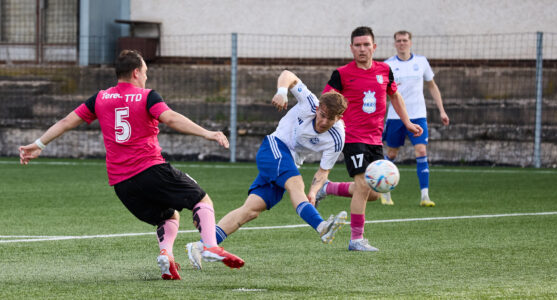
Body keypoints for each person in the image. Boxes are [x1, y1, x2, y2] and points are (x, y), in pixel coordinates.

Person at [18, 50, 244, 280]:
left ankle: (166, 255)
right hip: (151, 170)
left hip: (122, 185)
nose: (146, 77)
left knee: (168, 216)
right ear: (136, 72)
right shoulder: (147, 96)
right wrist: (208, 133)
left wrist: (39, 144)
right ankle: (209, 245)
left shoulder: (100, 98)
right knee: (201, 199)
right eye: (145, 72)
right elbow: (171, 118)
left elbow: (67, 121)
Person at [185, 70, 348, 270]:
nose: (323, 122)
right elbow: (288, 75)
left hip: (288, 163)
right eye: (322, 115)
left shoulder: (337, 139)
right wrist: (281, 92)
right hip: (274, 147)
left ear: (339, 118)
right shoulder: (310, 102)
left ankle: (201, 246)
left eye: (330, 119)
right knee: (296, 184)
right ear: (318, 108)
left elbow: (323, 172)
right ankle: (321, 227)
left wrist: (313, 193)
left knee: (251, 211)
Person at [317, 26, 423, 252]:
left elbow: (395, 96)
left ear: (374, 47)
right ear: (351, 48)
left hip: (375, 138)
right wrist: (325, 125)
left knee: (373, 192)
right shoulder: (342, 73)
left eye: (366, 45)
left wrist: (407, 122)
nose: (362, 49)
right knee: (363, 184)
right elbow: (325, 102)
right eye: (358, 45)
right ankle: (356, 239)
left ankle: (327, 188)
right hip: (352, 136)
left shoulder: (385, 70)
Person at [380, 30, 450, 207]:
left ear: (410, 42)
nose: (402, 43)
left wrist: (442, 110)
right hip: (396, 117)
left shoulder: (421, 62)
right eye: (398, 41)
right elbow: (381, 92)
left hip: (418, 115)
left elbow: (432, 86)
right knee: (392, 153)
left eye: (405, 40)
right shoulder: (387, 65)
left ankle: (425, 196)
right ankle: (386, 193)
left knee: (421, 151)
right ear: (394, 43)